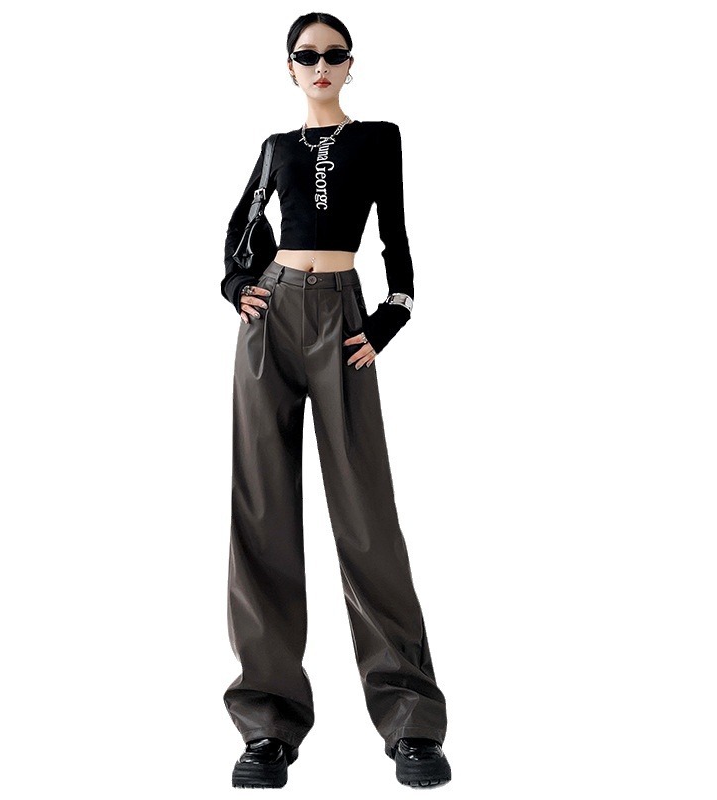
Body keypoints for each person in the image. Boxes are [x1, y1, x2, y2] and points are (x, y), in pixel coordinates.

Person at [220, 13, 452, 789]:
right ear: (289, 68)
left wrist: (389, 319)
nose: (321, 65)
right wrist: (238, 286)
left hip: (345, 322)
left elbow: (398, 242)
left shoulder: (379, 139)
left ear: (351, 65)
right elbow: (241, 228)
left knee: (365, 515)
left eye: (334, 55)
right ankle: (267, 726)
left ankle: (411, 723)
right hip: (272, 317)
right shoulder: (276, 148)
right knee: (262, 511)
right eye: (306, 55)